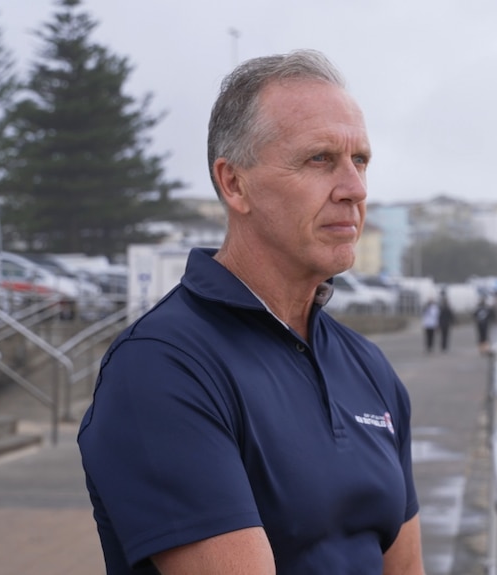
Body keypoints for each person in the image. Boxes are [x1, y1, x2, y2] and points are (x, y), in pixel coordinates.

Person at [77, 50, 424, 575]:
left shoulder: (369, 368)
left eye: (361, 161)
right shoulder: (160, 369)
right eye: (319, 159)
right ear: (234, 183)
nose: (355, 189)